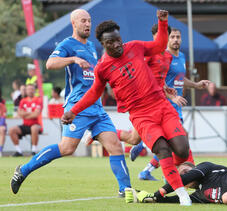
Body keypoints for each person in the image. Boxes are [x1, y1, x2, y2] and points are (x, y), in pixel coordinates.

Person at [61, 10, 193, 206]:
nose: (116, 45)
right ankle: (182, 194)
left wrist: (163, 22)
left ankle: (170, 176)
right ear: (103, 45)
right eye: (110, 43)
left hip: (162, 105)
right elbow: (93, 94)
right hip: (141, 115)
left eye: (117, 40)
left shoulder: (135, 47)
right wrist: (73, 111)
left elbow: (158, 45)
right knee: (162, 149)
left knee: (182, 150)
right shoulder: (102, 67)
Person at [10, 9, 134, 202]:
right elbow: (50, 63)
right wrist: (73, 59)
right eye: (83, 21)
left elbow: (97, 75)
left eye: (89, 21)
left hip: (97, 108)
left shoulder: (93, 46)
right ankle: (23, 170)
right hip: (77, 107)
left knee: (115, 146)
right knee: (67, 148)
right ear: (74, 23)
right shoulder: (67, 44)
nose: (87, 24)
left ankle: (125, 190)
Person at [129, 27, 210, 181]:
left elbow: (180, 79)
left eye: (178, 37)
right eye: (172, 37)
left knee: (172, 143)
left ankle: (146, 164)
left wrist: (196, 84)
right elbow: (156, 80)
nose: (175, 40)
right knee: (178, 140)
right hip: (163, 103)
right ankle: (168, 173)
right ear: (166, 39)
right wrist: (171, 97)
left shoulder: (181, 57)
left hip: (176, 103)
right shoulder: (161, 57)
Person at [8, 84, 42, 156]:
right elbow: (20, 113)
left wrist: (25, 114)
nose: (30, 91)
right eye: (28, 89)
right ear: (26, 91)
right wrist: (30, 113)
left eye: (31, 89)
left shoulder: (38, 100)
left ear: (34, 90)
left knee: (34, 128)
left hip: (36, 124)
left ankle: (34, 150)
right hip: (25, 125)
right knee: (11, 130)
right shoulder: (23, 100)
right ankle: (19, 151)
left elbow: (36, 114)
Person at [0, 88, 6, 157]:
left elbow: (3, 116)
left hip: (1, 123)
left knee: (2, 129)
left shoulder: (2, 104)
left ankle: (0, 150)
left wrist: (1, 124)